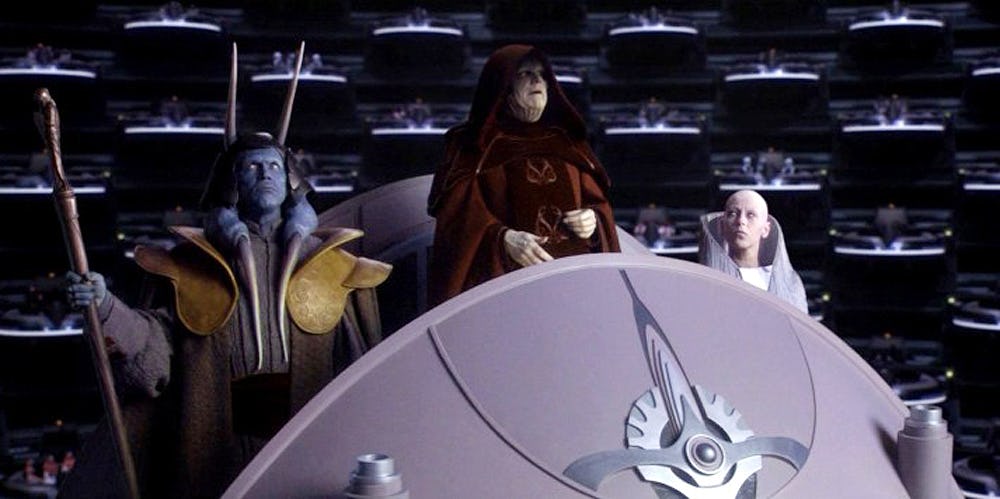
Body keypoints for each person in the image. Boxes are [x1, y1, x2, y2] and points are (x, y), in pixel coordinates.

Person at [60, 44, 391, 498]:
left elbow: (360, 371)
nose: (265, 174)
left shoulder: (330, 263)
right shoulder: (192, 264)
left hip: (305, 442)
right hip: (218, 447)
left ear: (291, 180)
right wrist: (105, 306)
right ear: (231, 183)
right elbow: (155, 355)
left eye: (274, 166)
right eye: (252, 167)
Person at [427, 44, 620, 306]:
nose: (537, 80)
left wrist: (593, 220)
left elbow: (598, 206)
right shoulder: (474, 146)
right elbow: (457, 219)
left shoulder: (568, 144)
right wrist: (503, 239)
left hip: (576, 292)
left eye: (542, 74)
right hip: (506, 295)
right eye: (525, 73)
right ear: (503, 87)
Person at [699, 189, 808, 313]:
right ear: (722, 226)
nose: (741, 221)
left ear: (765, 229)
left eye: (750, 215)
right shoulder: (705, 281)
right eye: (732, 214)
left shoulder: (791, 284)